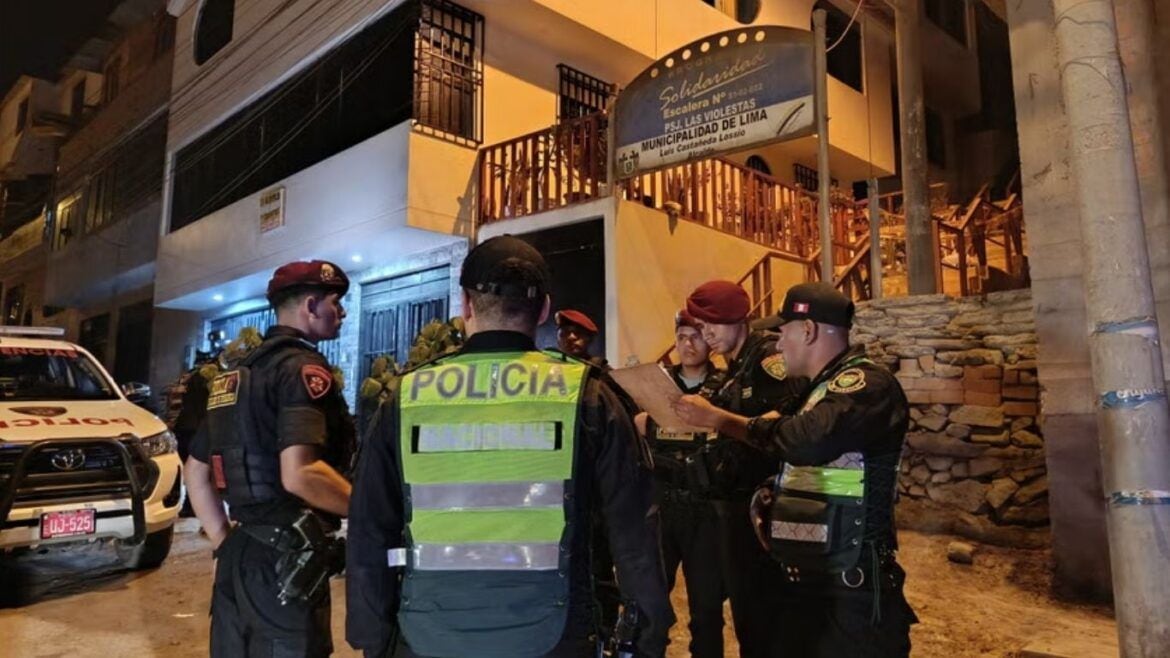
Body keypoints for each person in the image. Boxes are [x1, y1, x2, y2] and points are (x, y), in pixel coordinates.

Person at [346, 235, 673, 658]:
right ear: (544, 310)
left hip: (427, 635)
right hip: (554, 636)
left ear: (465, 305)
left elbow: (369, 526)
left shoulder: (406, 396)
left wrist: (372, 638)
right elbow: (634, 529)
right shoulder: (587, 394)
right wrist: (647, 638)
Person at [674, 282, 917, 657]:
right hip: (815, 580)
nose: (779, 344)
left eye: (784, 333)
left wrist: (721, 420)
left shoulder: (866, 384)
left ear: (808, 330)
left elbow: (804, 440)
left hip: (853, 587)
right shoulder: (816, 391)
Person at [184, 260, 357, 658]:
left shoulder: (235, 376)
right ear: (311, 306)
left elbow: (195, 472)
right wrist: (370, 509)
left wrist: (224, 543)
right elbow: (301, 474)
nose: (342, 312)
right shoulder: (302, 369)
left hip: (240, 552)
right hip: (288, 559)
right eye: (335, 303)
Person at [683, 279, 805, 658]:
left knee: (764, 616)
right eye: (701, 325)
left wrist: (716, 418)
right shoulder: (735, 367)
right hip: (732, 505)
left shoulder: (767, 358)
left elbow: (789, 421)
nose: (706, 334)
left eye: (713, 323)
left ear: (739, 319)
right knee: (746, 615)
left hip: (762, 509)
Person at [633, 309, 726, 658]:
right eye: (682, 337)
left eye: (696, 337)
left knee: (707, 607)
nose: (688, 345)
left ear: (709, 341)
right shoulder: (657, 385)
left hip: (704, 507)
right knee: (650, 601)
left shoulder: (724, 386)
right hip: (661, 503)